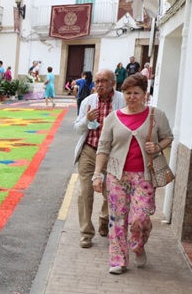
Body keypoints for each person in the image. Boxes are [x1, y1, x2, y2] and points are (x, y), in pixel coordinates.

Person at [92, 74, 173, 274]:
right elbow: (103, 148)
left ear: (145, 94)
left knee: (140, 218)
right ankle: (118, 260)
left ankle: (138, 245)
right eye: (128, 93)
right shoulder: (113, 118)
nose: (132, 97)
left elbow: (168, 137)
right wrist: (96, 175)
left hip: (144, 176)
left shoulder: (157, 115)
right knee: (117, 219)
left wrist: (157, 146)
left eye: (136, 93)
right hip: (116, 175)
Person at [73, 68, 125, 249]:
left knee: (110, 192)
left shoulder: (122, 101)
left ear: (113, 84)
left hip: (112, 153)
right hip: (89, 150)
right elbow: (77, 129)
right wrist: (86, 119)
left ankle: (104, 218)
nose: (99, 84)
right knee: (85, 192)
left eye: (104, 81)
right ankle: (86, 233)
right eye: (97, 81)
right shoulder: (88, 101)